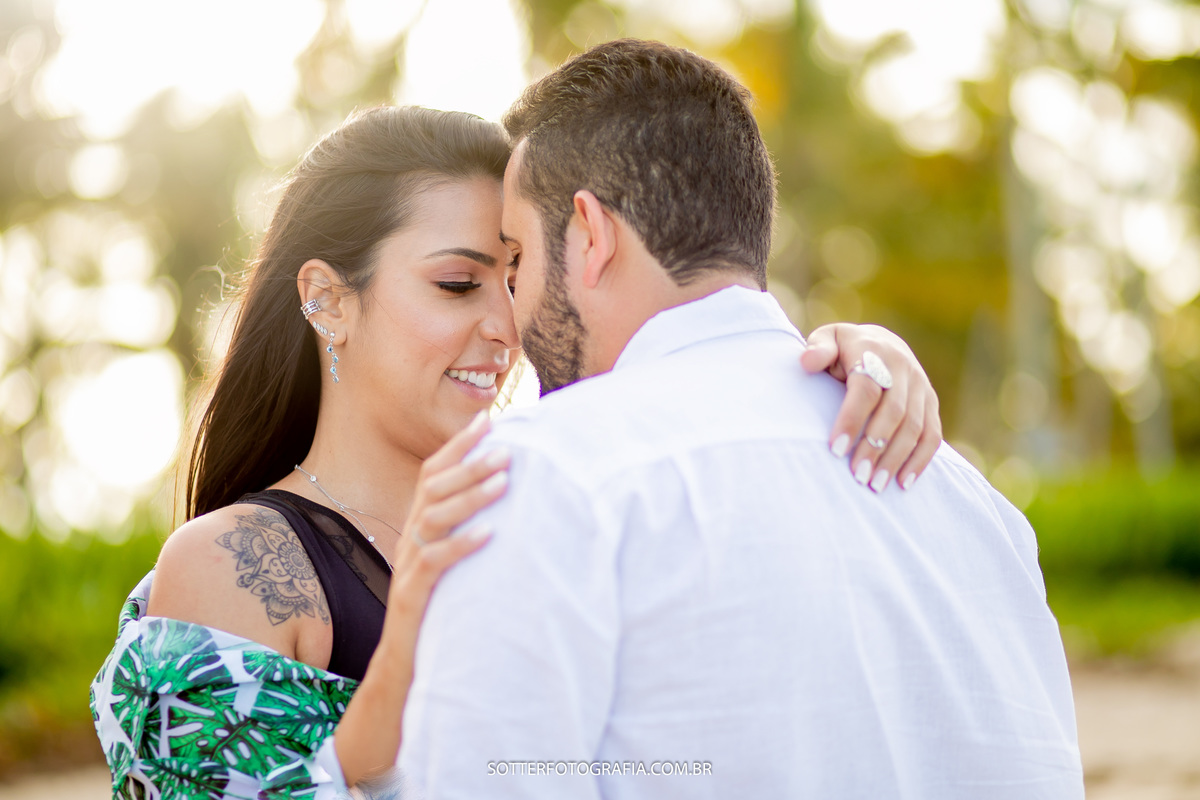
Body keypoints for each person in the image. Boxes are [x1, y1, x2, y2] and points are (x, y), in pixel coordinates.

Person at [89, 105, 943, 799]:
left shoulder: (557, 495)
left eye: (515, 273)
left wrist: (823, 364)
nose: (506, 325)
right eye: (458, 283)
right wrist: (412, 629)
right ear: (326, 300)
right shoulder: (237, 562)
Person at [397, 40, 1084, 799]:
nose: (511, 314)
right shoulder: (977, 508)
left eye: (518, 258)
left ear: (591, 236)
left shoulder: (538, 473)